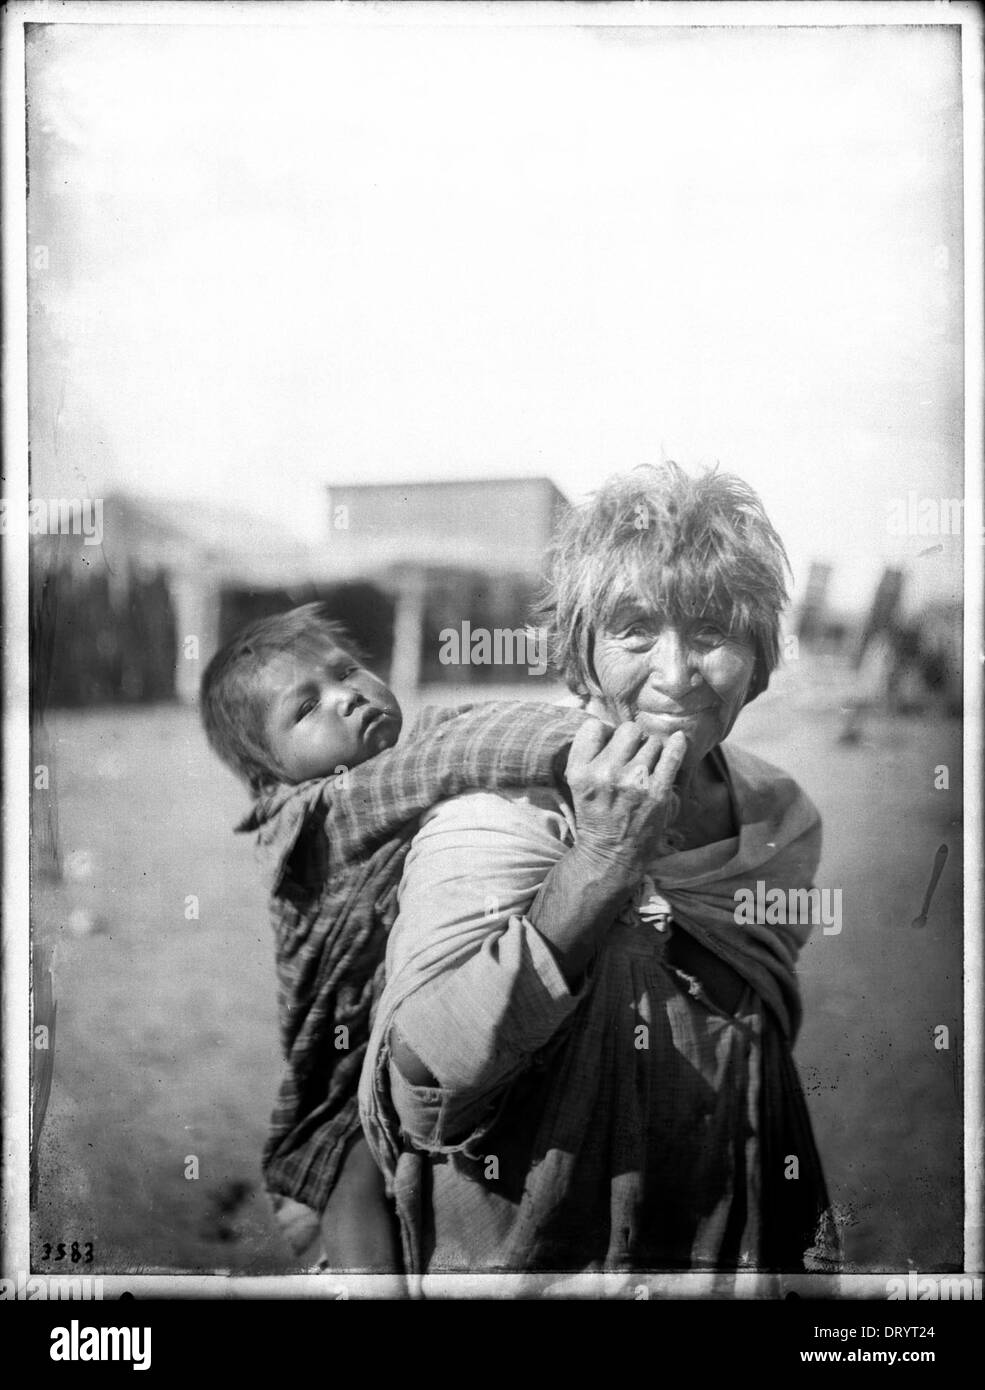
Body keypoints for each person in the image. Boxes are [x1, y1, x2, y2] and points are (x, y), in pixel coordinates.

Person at [360, 462, 838, 1278]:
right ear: (578, 657)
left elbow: (755, 1035)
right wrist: (601, 861)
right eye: (634, 630)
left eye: (714, 632)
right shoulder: (497, 816)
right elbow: (423, 1083)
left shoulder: (776, 815)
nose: (676, 672)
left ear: (759, 660)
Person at [199, 605, 592, 1277]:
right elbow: (449, 756)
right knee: (347, 1165)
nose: (346, 695)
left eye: (346, 670)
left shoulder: (396, 765)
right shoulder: (315, 814)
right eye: (306, 708)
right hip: (339, 1070)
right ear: (271, 776)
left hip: (425, 1023)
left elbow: (456, 732)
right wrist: (598, 744)